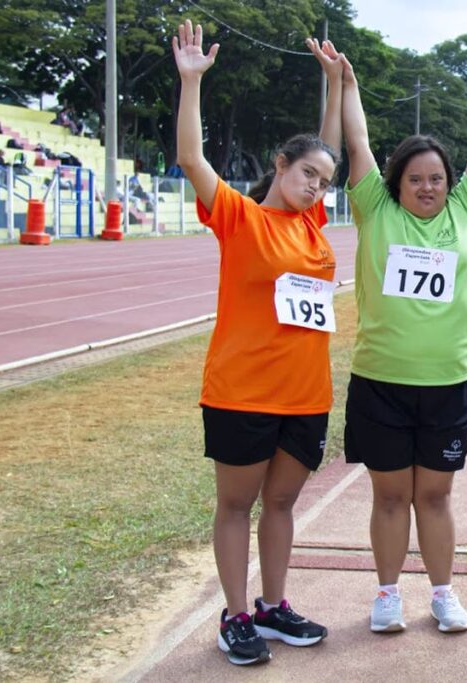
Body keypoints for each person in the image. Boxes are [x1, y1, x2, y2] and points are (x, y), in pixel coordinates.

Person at [173, 19, 342, 666]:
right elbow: (192, 159)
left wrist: (333, 85)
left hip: (305, 395)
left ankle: (273, 606)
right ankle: (235, 614)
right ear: (279, 165)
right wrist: (191, 83)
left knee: (280, 501)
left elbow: (326, 150)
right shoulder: (240, 217)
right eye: (306, 175)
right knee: (236, 502)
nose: (315, 186)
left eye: (324, 182)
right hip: (243, 390)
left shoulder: (313, 222)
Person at [337, 42, 467, 634]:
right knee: (387, 498)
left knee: (434, 497)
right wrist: (347, 86)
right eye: (415, 179)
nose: (427, 187)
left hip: (447, 385)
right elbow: (356, 144)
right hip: (380, 383)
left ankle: (444, 593)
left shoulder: (464, 213)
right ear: (396, 183)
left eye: (436, 179)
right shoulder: (376, 210)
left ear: (449, 185)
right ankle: (386, 596)